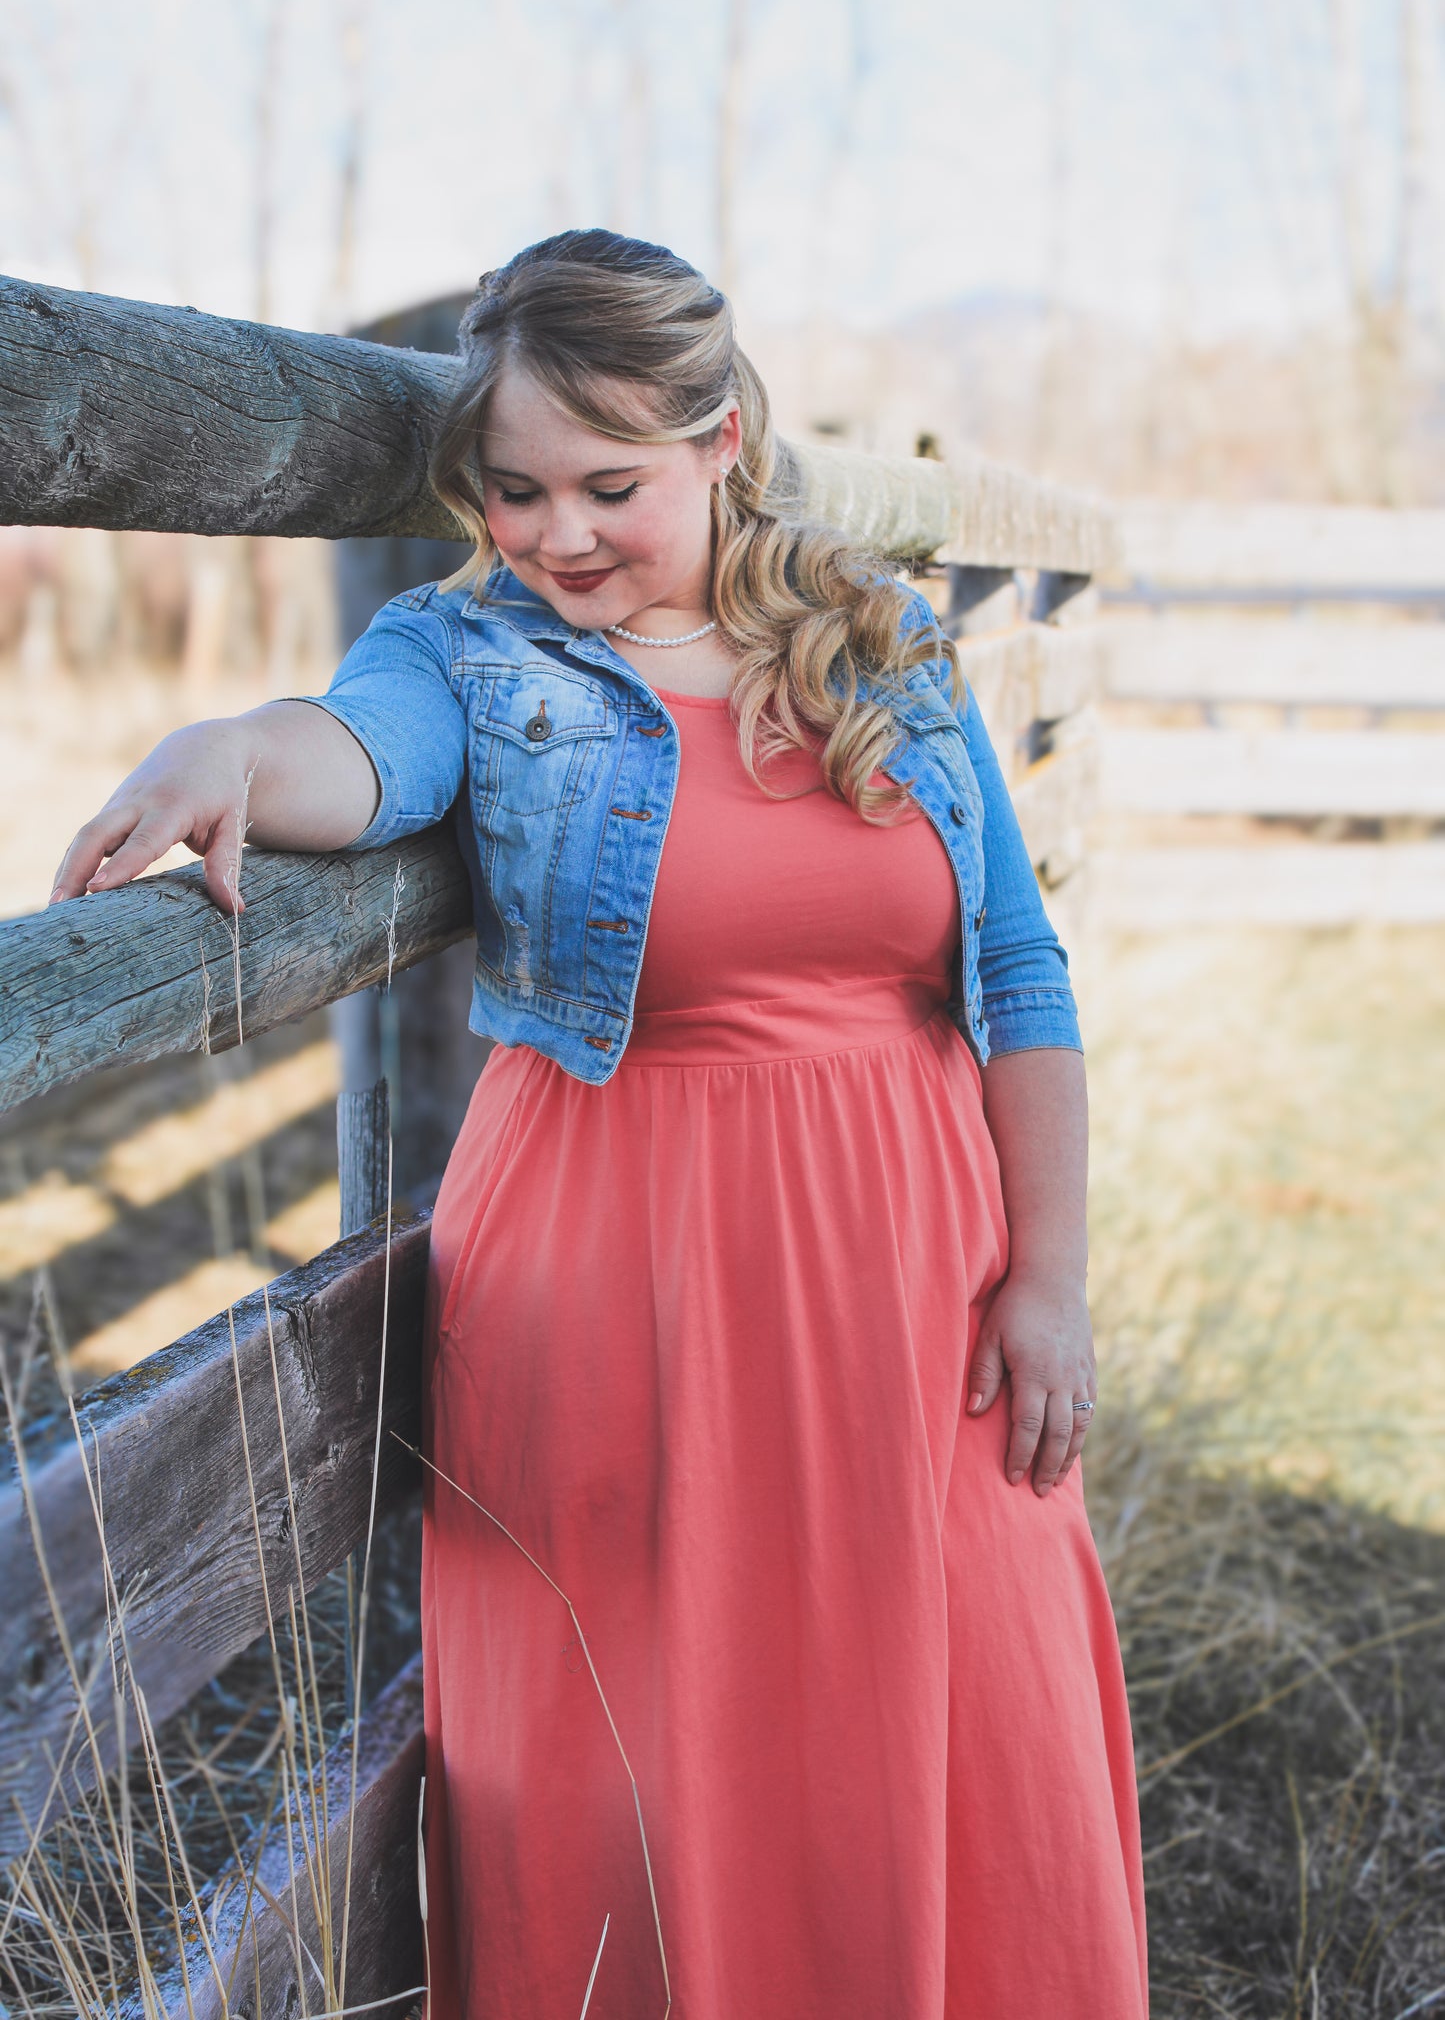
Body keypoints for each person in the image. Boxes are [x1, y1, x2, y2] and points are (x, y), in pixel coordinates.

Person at [53, 230, 1148, 2020]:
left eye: (607, 485)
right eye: (512, 491)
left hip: (915, 1269)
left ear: (722, 440)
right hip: (615, 1259)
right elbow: (366, 751)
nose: (556, 535)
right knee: (642, 1707)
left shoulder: (885, 646)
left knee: (965, 1675)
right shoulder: (468, 649)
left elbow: (1014, 972)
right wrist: (242, 748)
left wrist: (1051, 1279)